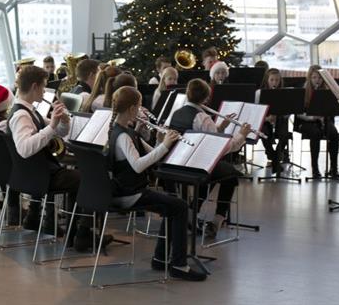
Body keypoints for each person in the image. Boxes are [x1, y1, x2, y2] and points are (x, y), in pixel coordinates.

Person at [106, 86, 207, 281]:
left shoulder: (126, 130)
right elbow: (137, 166)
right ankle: (179, 265)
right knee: (179, 206)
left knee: (173, 203)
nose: (142, 111)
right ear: (132, 109)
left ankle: (160, 259)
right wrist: (165, 145)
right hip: (128, 193)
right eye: (140, 107)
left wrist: (161, 140)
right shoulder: (122, 136)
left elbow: (153, 153)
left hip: (130, 189)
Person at [7, 65, 107, 251]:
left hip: (36, 173)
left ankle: (75, 233)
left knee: (78, 178)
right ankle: (81, 233)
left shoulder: (30, 110)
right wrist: (52, 126)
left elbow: (58, 132)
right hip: (39, 176)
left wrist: (63, 122)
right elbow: (25, 149)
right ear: (35, 86)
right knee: (89, 179)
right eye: (44, 87)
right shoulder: (21, 115)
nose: (45, 91)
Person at [168, 78, 250, 239]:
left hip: (179, 163)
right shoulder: (202, 117)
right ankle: (217, 220)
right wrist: (242, 135)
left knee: (218, 170)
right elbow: (223, 148)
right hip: (197, 165)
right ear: (206, 98)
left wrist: (221, 127)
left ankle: (194, 211)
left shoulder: (177, 113)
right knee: (231, 175)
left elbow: (207, 136)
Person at [294, 65, 339, 179]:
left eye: (319, 78)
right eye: (314, 77)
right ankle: (315, 168)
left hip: (323, 120)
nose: (317, 80)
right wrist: (312, 117)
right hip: (305, 122)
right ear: (309, 78)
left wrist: (325, 115)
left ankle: (333, 168)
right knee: (316, 133)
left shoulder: (327, 91)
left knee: (334, 134)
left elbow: (332, 109)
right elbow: (298, 112)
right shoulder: (304, 91)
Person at [255, 68, 289, 175]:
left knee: (284, 135)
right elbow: (255, 112)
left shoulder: (284, 93)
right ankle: (274, 159)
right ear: (267, 81)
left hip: (279, 119)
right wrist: (267, 118)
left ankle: (275, 159)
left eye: (277, 80)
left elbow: (289, 110)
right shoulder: (259, 93)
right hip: (265, 120)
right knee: (264, 133)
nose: (274, 83)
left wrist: (279, 115)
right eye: (272, 80)